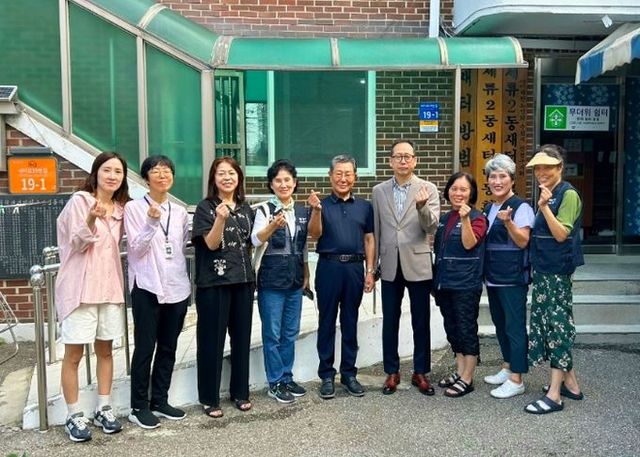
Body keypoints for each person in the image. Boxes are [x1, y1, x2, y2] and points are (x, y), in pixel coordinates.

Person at [55, 151, 129, 442]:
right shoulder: (80, 201)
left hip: (109, 289)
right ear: (96, 172)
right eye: (107, 170)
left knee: (106, 351)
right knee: (73, 354)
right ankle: (73, 414)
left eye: (118, 171)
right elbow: (76, 243)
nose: (112, 176)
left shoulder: (121, 209)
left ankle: (103, 408)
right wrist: (90, 217)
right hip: (80, 290)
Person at [124, 155, 191, 429]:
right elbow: (135, 249)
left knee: (168, 346)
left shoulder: (180, 212)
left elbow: (181, 246)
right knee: (144, 347)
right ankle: (138, 406)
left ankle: (160, 400)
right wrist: (151, 223)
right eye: (155, 171)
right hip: (147, 285)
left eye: (167, 171)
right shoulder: (133, 208)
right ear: (145, 178)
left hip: (176, 286)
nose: (162, 175)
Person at [371, 139, 440, 396]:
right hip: (390, 262)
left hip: (418, 262)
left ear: (415, 160)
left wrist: (422, 207)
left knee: (421, 320)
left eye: (407, 156)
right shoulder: (378, 191)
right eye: (398, 156)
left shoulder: (428, 188)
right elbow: (376, 230)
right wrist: (373, 267)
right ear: (390, 161)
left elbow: (432, 227)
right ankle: (392, 370)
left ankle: (420, 371)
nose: (403, 160)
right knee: (390, 320)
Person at [192, 157, 255, 419]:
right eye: (221, 173)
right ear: (213, 178)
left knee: (241, 339)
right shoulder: (205, 207)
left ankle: (240, 392)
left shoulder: (246, 208)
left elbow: (250, 243)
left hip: (243, 281)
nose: (227, 178)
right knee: (211, 341)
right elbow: (210, 243)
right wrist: (220, 218)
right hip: (214, 283)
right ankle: (209, 398)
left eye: (232, 173)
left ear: (238, 177)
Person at [308, 154, 375, 399]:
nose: (343, 178)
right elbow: (314, 234)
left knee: (350, 321)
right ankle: (326, 375)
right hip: (329, 267)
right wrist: (316, 211)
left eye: (348, 174)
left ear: (355, 177)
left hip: (355, 269)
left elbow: (369, 239)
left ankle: (349, 374)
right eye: (339, 173)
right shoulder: (321, 204)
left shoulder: (365, 207)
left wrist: (370, 271)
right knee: (326, 322)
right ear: (330, 176)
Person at [524, 144, 585, 414]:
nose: (541, 172)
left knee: (558, 328)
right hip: (544, 271)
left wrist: (544, 208)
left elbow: (561, 234)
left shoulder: (567, 194)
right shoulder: (550, 193)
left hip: (557, 273)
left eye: (547, 167)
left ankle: (555, 395)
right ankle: (571, 385)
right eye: (538, 168)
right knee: (548, 325)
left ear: (560, 167)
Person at [251, 159, 310, 403]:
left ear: (294, 183)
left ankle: (286, 377)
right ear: (271, 184)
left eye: (287, 180)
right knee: (272, 333)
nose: (283, 184)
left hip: (294, 280)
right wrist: (272, 226)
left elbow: (303, 246)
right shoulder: (264, 210)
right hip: (271, 281)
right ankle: (274, 382)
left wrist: (307, 274)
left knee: (290, 332)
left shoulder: (301, 211)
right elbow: (255, 240)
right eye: (278, 180)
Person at [482, 154, 535, 399]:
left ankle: (517, 379)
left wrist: (509, 223)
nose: (497, 181)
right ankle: (507, 366)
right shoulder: (489, 207)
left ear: (512, 180)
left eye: (502, 176)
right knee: (500, 324)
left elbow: (523, 241)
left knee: (514, 327)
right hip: (493, 277)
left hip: (513, 278)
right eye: (493, 176)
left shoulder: (521, 207)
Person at [433, 172, 487, 398]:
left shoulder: (477, 218)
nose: (458, 193)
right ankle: (459, 370)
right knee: (453, 329)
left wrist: (465, 219)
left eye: (463, 189)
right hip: (445, 283)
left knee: (466, 330)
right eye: (454, 189)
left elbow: (468, 244)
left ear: (471, 193)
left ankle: (468, 378)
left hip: (466, 284)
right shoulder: (446, 217)